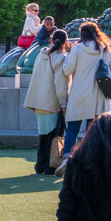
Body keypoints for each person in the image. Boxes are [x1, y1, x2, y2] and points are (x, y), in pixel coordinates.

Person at [56, 21, 111, 177]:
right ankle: (93, 162)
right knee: (94, 132)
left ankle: (67, 159)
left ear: (82, 34)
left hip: (79, 95)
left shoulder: (77, 48)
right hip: (100, 97)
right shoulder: (106, 49)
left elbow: (67, 70)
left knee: (72, 129)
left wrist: (68, 55)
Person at [23, 29, 70, 174]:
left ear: (51, 39)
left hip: (38, 101)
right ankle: (51, 166)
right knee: (54, 135)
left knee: (43, 135)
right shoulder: (61, 58)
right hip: (52, 102)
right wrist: (63, 103)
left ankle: (40, 165)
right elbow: (60, 83)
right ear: (65, 42)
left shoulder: (41, 54)